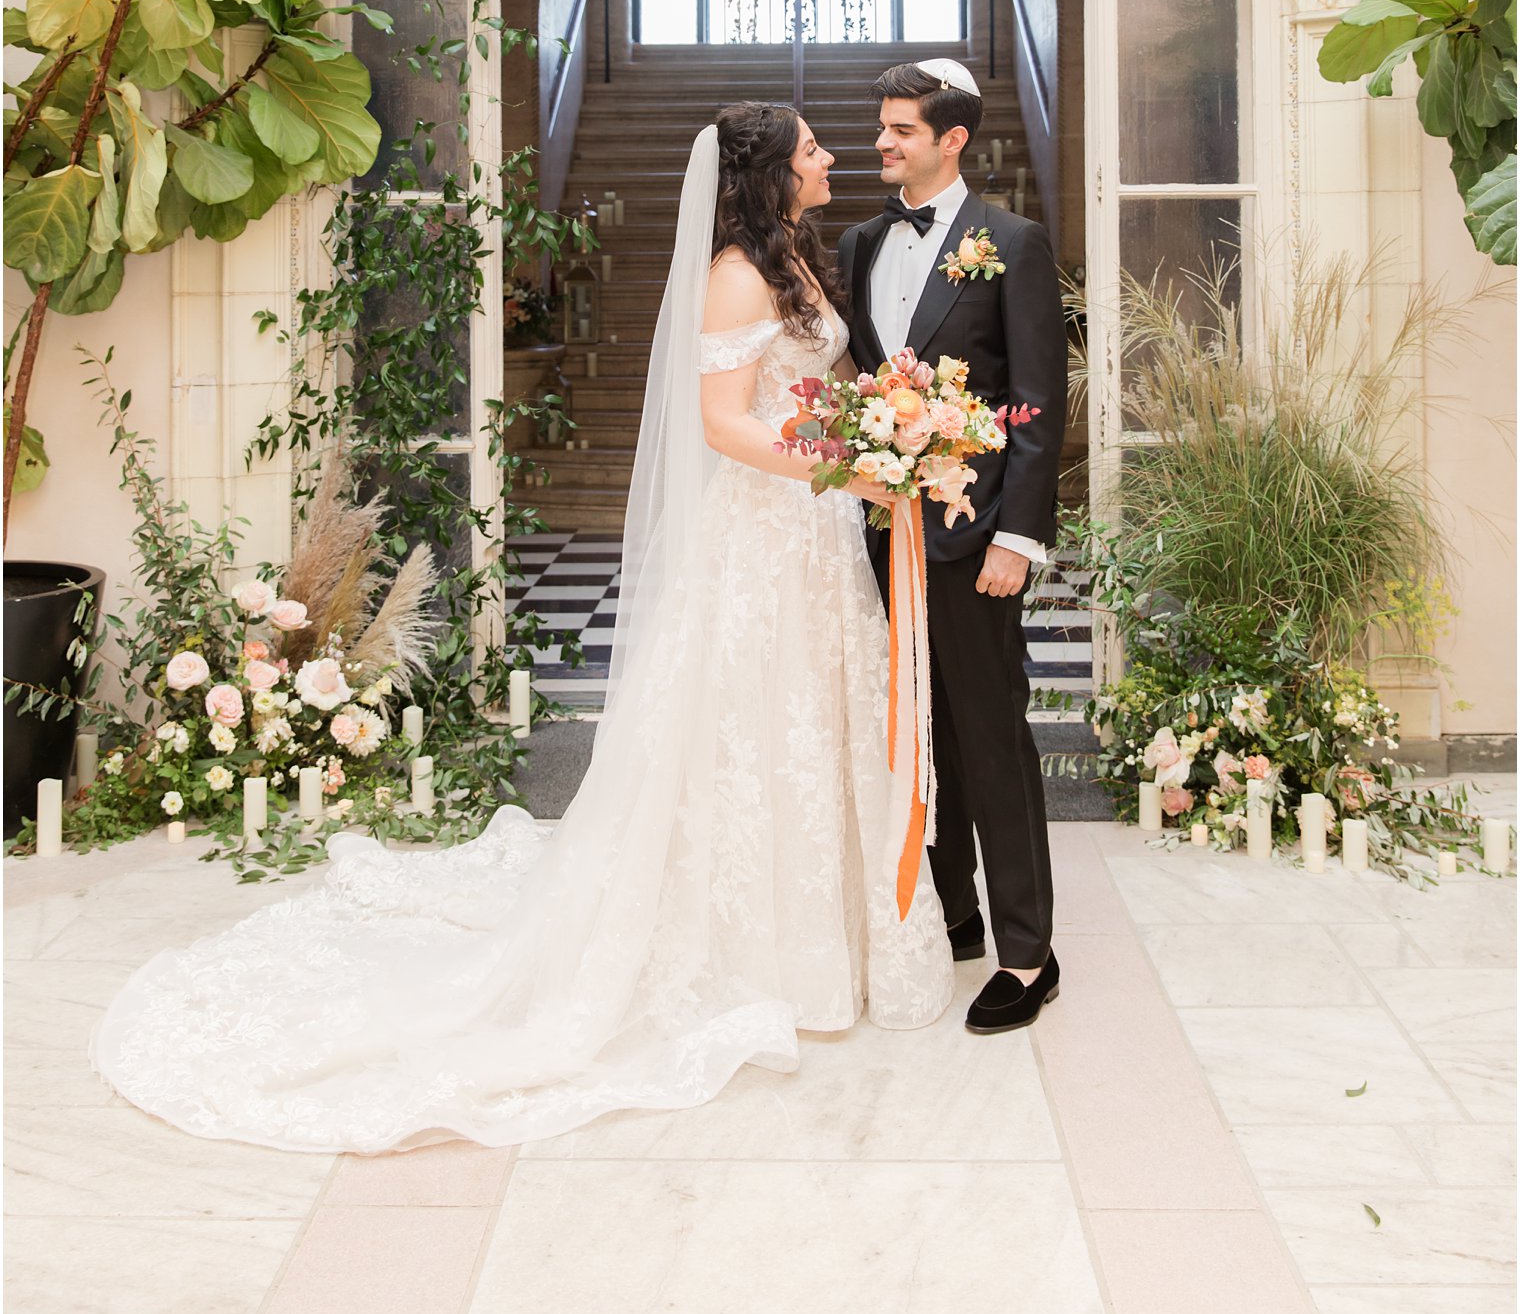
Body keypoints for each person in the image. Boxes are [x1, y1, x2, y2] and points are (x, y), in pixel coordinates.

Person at [90, 104, 952, 1154]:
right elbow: (722, 424)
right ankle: (752, 955)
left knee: (811, 726)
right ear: (772, 173)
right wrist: (845, 463)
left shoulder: (800, 264)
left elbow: (818, 387)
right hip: (760, 541)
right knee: (746, 727)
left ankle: (830, 945)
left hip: (811, 537)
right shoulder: (733, 271)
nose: (829, 160)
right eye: (812, 149)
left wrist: (892, 422)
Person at [837, 59, 1067, 1035]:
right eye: (882, 128)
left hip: (975, 543)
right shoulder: (855, 243)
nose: (881, 144)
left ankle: (1026, 953)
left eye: (899, 130)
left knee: (991, 738)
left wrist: (1017, 533)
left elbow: (1038, 406)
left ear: (950, 139)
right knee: (916, 738)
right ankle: (954, 914)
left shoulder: (1010, 241)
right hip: (876, 539)